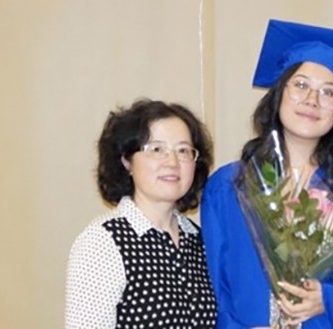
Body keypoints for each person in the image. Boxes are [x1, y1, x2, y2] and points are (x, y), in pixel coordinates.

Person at [200, 19, 333, 329]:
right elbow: (215, 284)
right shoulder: (229, 186)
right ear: (279, 94)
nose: (312, 100)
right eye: (300, 85)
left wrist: (330, 299)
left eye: (328, 92)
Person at [65, 99, 218, 328]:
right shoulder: (102, 243)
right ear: (127, 160)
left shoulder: (200, 241)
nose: (172, 162)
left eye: (184, 151)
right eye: (157, 149)